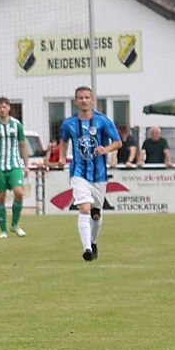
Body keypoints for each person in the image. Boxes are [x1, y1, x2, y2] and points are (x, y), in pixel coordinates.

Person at [59, 86, 121, 261]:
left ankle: (93, 242)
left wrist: (105, 149)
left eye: (87, 97)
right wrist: (62, 156)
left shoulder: (103, 121)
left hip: (99, 174)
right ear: (76, 101)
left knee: (96, 213)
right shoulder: (69, 123)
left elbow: (118, 142)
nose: (84, 100)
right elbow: (63, 141)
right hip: (78, 172)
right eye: (81, 98)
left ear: (92, 100)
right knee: (85, 208)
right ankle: (86, 248)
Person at [0, 97, 30, 239]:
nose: (2, 109)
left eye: (4, 107)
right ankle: (3, 230)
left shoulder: (17, 125)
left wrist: (26, 166)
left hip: (15, 165)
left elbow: (23, 146)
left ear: (9, 108)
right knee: (0, 197)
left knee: (19, 193)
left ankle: (15, 224)